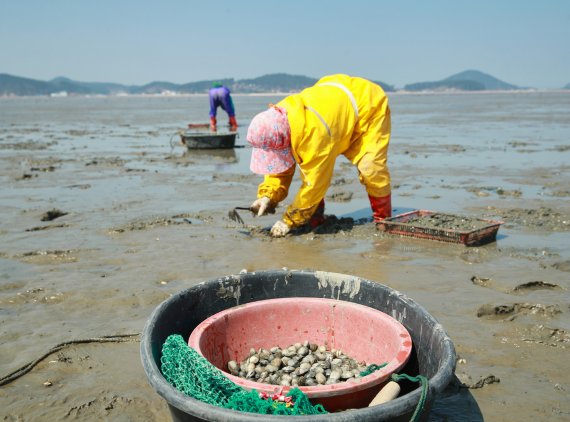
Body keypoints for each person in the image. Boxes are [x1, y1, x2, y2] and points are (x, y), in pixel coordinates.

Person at [246, 74, 392, 238]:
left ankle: (384, 220)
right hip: (335, 104)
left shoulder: (314, 135)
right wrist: (268, 196)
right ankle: (316, 218)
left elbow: (315, 183)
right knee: (308, 166)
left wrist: (289, 220)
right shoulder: (276, 118)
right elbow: (279, 165)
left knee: (371, 168)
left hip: (367, 106)